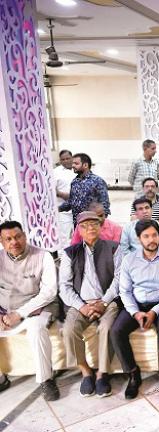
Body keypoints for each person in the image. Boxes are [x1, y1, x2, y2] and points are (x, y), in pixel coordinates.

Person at [111, 220, 159, 399]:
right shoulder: (129, 260)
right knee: (116, 331)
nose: (151, 240)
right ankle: (133, 374)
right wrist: (136, 312)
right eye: (146, 236)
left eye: (154, 235)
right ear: (139, 239)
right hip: (137, 304)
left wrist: (154, 311)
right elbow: (124, 291)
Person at [60, 211, 121, 397]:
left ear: (101, 226)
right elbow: (64, 286)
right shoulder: (70, 253)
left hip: (108, 301)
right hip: (81, 303)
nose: (90, 228)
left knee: (106, 328)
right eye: (85, 226)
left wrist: (103, 302)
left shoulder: (114, 248)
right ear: (79, 229)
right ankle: (85, 371)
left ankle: (102, 373)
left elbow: (119, 280)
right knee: (69, 329)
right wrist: (82, 306)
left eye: (94, 224)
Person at [0, 221, 60, 400]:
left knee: (36, 328)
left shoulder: (43, 256)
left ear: (24, 236)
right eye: (8, 239)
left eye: (17, 237)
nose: (14, 242)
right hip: (7, 311)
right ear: (2, 242)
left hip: (39, 308)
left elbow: (49, 292)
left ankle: (46, 380)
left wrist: (19, 314)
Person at [59, 153, 111, 225]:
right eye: (73, 163)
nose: (73, 165)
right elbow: (71, 202)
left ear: (85, 165)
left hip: (92, 225)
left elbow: (105, 204)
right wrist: (57, 209)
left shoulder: (97, 181)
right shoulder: (74, 182)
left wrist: (99, 222)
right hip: (78, 224)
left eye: (76, 163)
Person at [54, 149, 77, 250]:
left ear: (72, 158)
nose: (65, 161)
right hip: (63, 211)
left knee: (78, 235)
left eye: (68, 158)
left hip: (78, 209)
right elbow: (51, 190)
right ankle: (63, 260)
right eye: (63, 159)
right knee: (64, 237)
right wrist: (63, 195)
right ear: (60, 160)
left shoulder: (77, 169)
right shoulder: (55, 172)